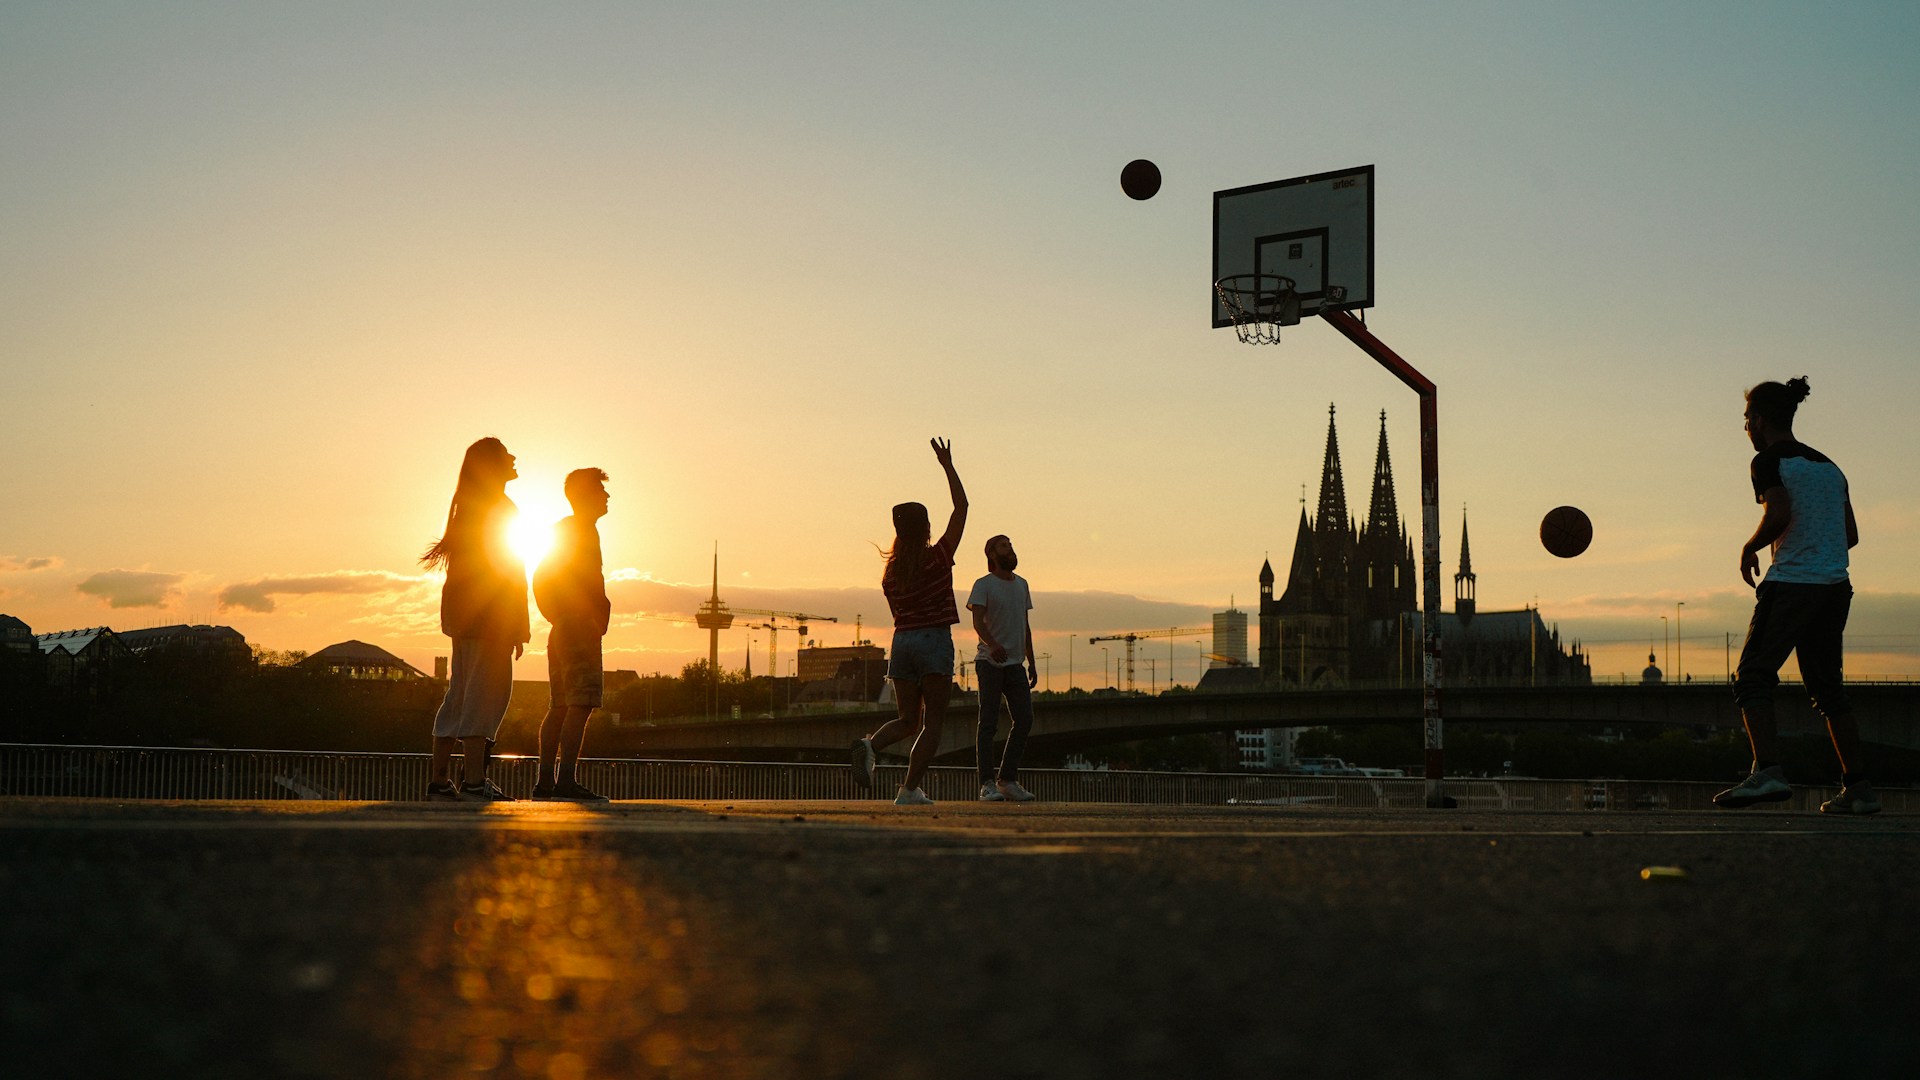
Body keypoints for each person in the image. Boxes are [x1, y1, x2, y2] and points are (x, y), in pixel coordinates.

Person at [1713, 377, 1877, 814]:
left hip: (1792, 585)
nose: (1745, 427)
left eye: (1747, 418)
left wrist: (1751, 546)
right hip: (1835, 587)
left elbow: (1780, 512)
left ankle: (1767, 771)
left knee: (1752, 677)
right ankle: (1858, 790)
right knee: (1828, 690)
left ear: (1761, 420)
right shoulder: (1830, 467)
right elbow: (1850, 535)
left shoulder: (1768, 462)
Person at [851, 438, 967, 805]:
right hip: (934, 641)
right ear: (928, 527)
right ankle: (909, 790)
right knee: (932, 724)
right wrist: (947, 465)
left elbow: (898, 614)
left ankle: (870, 744)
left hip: (902, 643)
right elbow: (962, 506)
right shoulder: (939, 558)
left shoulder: (892, 573)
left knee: (906, 721)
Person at [422, 437, 530, 802]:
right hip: (491, 618)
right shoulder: (500, 507)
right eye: (505, 455)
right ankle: (472, 781)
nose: (514, 457)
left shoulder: (468, 507)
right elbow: (510, 571)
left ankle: (439, 780)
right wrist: (518, 623)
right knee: (485, 696)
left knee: (460, 694)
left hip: (465, 617)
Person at [532, 468, 613, 803]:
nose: (607, 496)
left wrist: (556, 615)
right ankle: (565, 781)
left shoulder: (564, 531)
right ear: (585, 495)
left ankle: (545, 782)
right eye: (601, 490)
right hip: (578, 628)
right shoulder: (581, 531)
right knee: (580, 704)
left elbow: (539, 576)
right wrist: (589, 617)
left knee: (561, 706)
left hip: (565, 626)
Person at [967, 534, 1038, 802]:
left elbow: (1024, 625)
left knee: (1025, 719)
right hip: (990, 663)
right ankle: (987, 783)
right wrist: (993, 644)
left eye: (1011, 544)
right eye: (1004, 545)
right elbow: (978, 623)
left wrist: (1031, 660)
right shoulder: (983, 585)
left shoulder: (1022, 585)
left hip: (1015, 664)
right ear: (992, 554)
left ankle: (1007, 779)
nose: (1010, 548)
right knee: (988, 723)